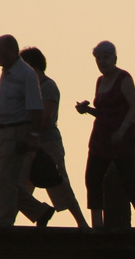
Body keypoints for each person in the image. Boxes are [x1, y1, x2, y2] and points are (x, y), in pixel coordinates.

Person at [75, 41, 135, 230]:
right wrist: (86, 109)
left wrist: (122, 129)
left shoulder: (123, 78)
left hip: (122, 139)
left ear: (114, 58)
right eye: (98, 58)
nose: (102, 62)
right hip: (101, 138)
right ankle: (97, 223)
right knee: (93, 178)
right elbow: (104, 112)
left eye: (106, 58)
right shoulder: (100, 81)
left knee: (129, 180)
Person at [0, 34, 55, 227]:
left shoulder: (25, 75)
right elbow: (4, 107)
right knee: (2, 179)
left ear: (12, 50)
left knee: (5, 180)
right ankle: (39, 211)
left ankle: (4, 224)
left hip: (18, 132)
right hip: (3, 133)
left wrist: (33, 137)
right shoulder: (7, 73)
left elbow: (36, 108)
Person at [18, 47, 90, 230]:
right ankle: (37, 215)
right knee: (19, 185)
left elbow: (46, 116)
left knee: (59, 183)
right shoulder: (28, 88)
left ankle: (81, 224)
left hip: (48, 142)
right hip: (29, 144)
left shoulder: (48, 86)